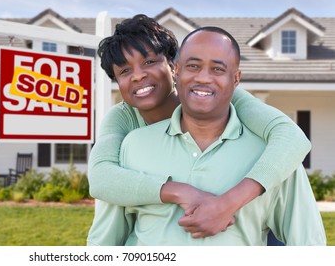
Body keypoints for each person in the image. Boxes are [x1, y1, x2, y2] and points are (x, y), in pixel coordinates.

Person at [86, 15, 312, 246]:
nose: (138, 75)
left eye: (148, 62)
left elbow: (291, 137)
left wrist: (227, 204)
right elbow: (102, 178)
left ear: (173, 67)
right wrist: (180, 191)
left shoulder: (223, 96)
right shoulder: (124, 125)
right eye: (124, 71)